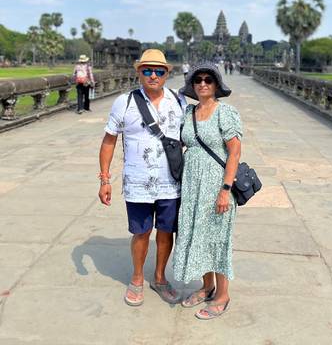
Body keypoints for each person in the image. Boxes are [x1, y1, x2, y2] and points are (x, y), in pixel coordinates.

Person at [98, 49, 187, 307]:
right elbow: (108, 141)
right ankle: (137, 277)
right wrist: (105, 179)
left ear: (167, 74)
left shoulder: (178, 101)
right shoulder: (124, 102)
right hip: (137, 184)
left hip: (171, 183)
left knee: (165, 232)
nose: (153, 75)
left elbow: (191, 136)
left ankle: (159, 278)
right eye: (147, 70)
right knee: (141, 232)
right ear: (138, 72)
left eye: (159, 71)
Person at [173, 62, 242, 320]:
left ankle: (222, 294)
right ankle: (207, 285)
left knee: (217, 238)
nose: (203, 84)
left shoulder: (225, 112)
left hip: (216, 186)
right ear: (192, 85)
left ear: (216, 85)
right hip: (192, 186)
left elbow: (234, 151)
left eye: (208, 80)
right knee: (198, 235)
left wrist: (226, 189)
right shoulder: (188, 113)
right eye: (198, 80)